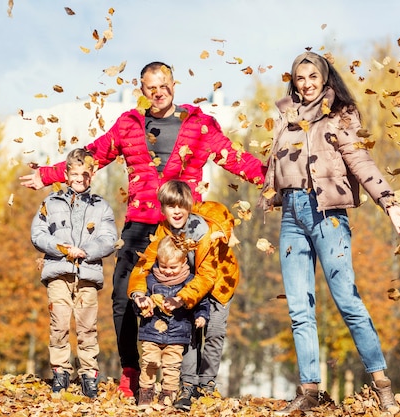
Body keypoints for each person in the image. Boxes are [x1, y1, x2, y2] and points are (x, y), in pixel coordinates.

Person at [19, 61, 265, 398]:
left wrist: (272, 180)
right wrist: (48, 175)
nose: (158, 91)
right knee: (123, 297)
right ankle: (131, 372)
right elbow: (92, 156)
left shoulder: (199, 124)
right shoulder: (129, 125)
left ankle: (183, 382)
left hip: (183, 227)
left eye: (163, 84)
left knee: (188, 299)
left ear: (174, 85)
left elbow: (234, 157)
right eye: (151, 87)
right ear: (143, 90)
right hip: (140, 223)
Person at [258, 51, 400, 415]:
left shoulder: (340, 116)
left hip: (327, 215)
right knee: (300, 308)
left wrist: (389, 202)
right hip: (292, 217)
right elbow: (273, 165)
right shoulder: (285, 116)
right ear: (294, 82)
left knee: (347, 300)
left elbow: (360, 159)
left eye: (313, 76)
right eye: (300, 77)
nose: (307, 83)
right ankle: (309, 392)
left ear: (325, 79)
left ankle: (382, 385)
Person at [128, 180, 240, 411]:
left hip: (218, 283)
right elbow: (143, 265)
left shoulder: (204, 232)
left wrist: (183, 298)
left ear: (189, 206)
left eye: (181, 206)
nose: (176, 211)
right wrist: (139, 293)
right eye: (171, 206)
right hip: (187, 285)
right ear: (163, 209)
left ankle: (206, 383)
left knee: (215, 332)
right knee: (187, 332)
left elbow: (207, 275)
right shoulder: (162, 232)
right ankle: (187, 384)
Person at [30, 148, 118, 399]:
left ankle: (89, 374)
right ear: (66, 174)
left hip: (87, 274)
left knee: (87, 326)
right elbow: (38, 234)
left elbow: (109, 239)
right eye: (75, 173)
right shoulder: (50, 202)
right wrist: (61, 248)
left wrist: (86, 251)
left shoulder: (101, 206)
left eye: (86, 174)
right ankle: (60, 370)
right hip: (58, 271)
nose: (80, 178)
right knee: (58, 322)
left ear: (92, 175)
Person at [132, 235, 209, 408]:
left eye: (173, 267)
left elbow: (200, 301)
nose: (167, 271)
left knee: (172, 366)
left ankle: (168, 394)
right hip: (151, 332)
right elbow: (137, 304)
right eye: (163, 266)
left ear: (183, 263)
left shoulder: (189, 282)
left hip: (177, 333)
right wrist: (142, 307)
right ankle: (146, 391)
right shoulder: (150, 280)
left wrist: (201, 316)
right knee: (149, 362)